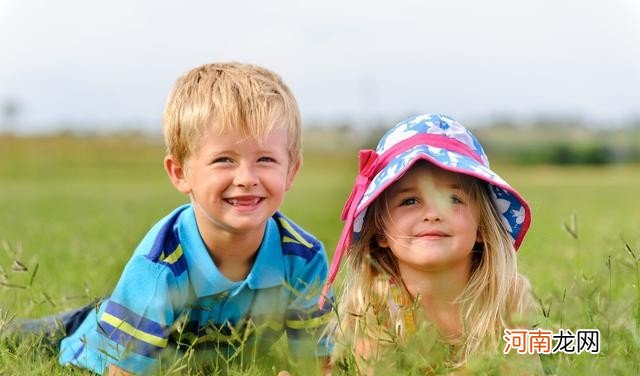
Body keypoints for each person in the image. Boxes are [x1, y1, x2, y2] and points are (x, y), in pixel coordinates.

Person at [16, 62, 333, 374]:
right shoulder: (158, 268)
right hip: (89, 345)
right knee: (18, 338)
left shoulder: (303, 259)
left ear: (291, 171)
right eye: (224, 160)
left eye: (265, 159)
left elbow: (315, 365)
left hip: (149, 322)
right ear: (181, 173)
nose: (247, 177)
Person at [321, 114, 537, 372]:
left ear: (482, 226)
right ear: (380, 232)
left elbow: (526, 369)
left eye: (454, 199)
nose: (433, 213)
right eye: (410, 201)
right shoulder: (376, 305)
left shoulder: (506, 296)